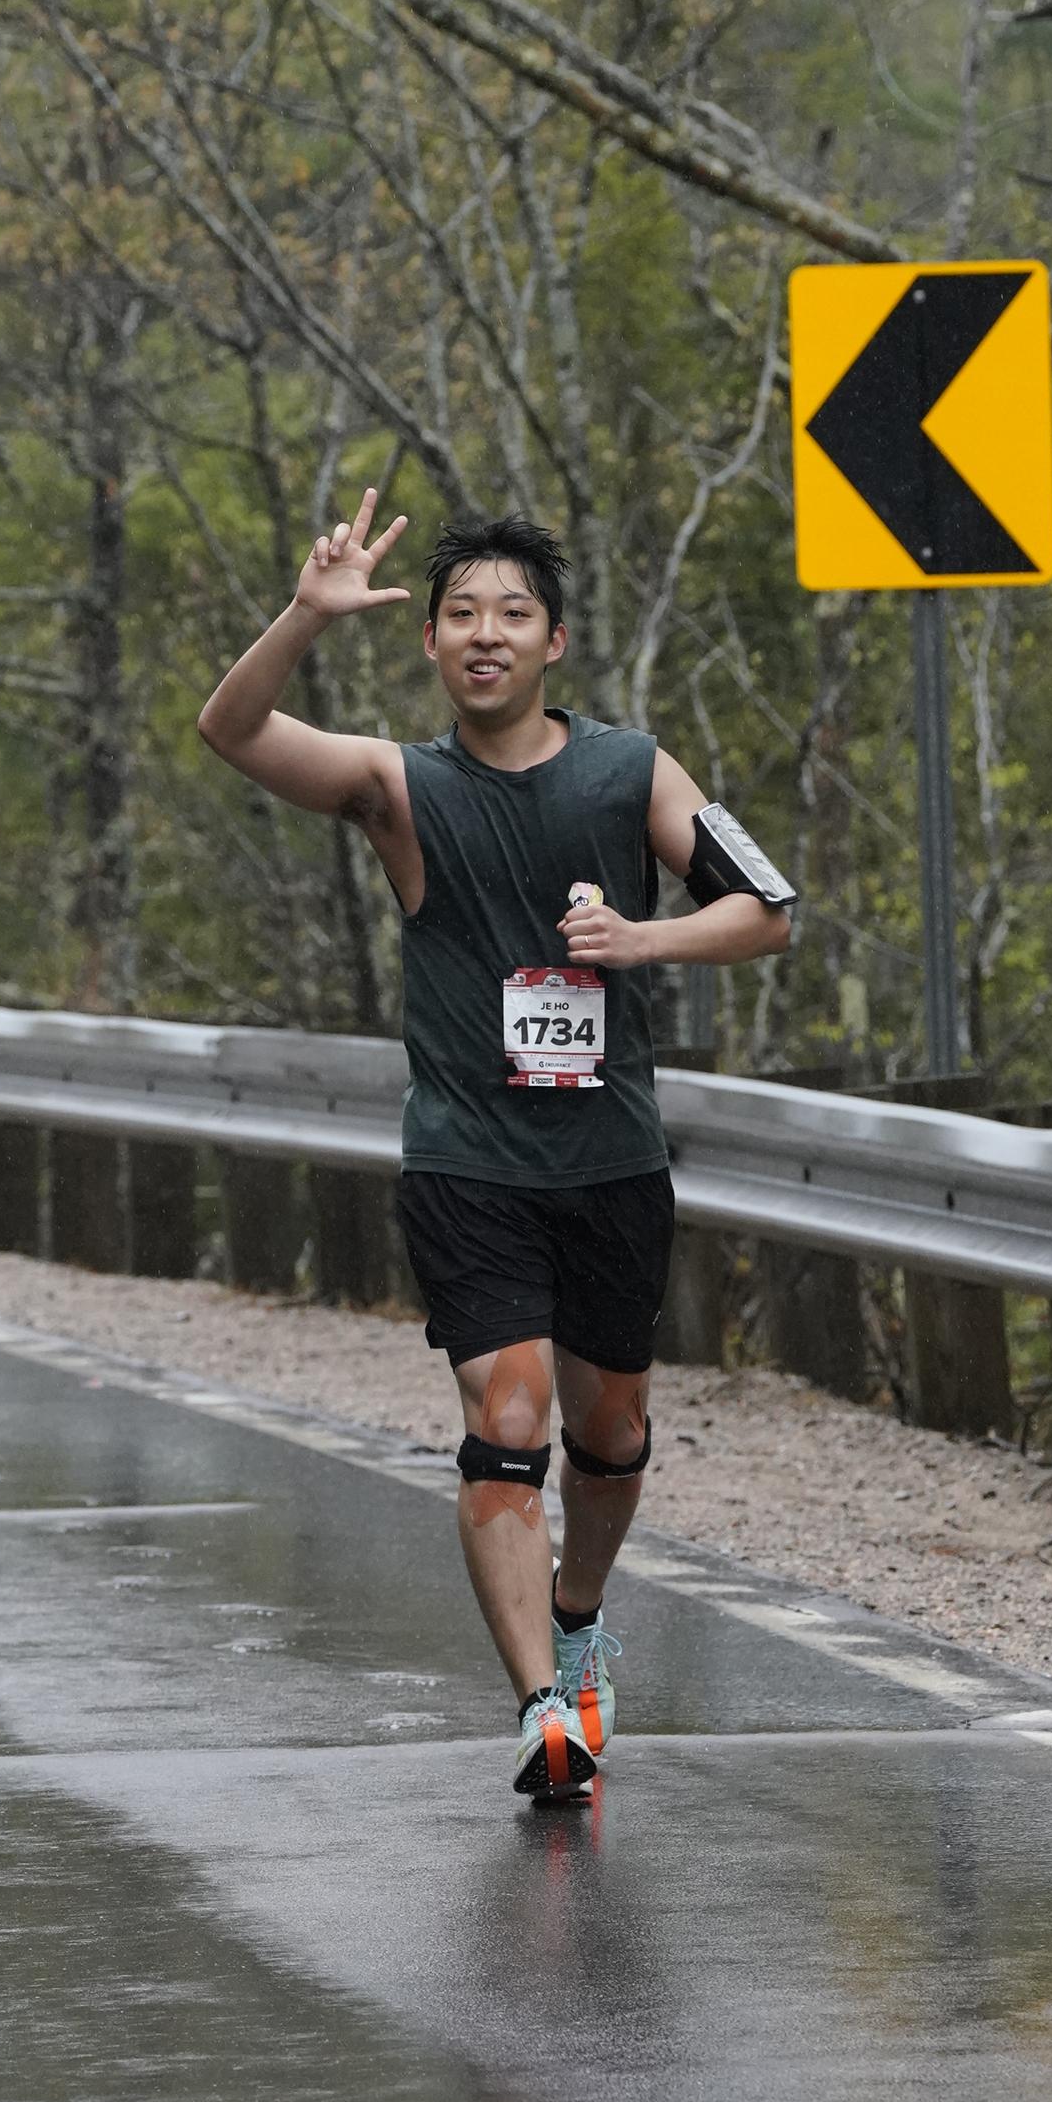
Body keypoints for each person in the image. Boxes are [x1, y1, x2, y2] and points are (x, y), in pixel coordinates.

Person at [196, 491, 796, 1800]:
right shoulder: (398, 787)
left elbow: (766, 911)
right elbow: (230, 730)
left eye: (513, 614)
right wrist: (303, 615)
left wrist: (642, 939)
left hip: (611, 1161)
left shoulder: (632, 773)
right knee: (509, 1410)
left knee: (611, 1431)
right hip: (468, 1161)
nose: (486, 634)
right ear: (428, 641)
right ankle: (544, 1708)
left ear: (554, 643)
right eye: (460, 614)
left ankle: (577, 1615)